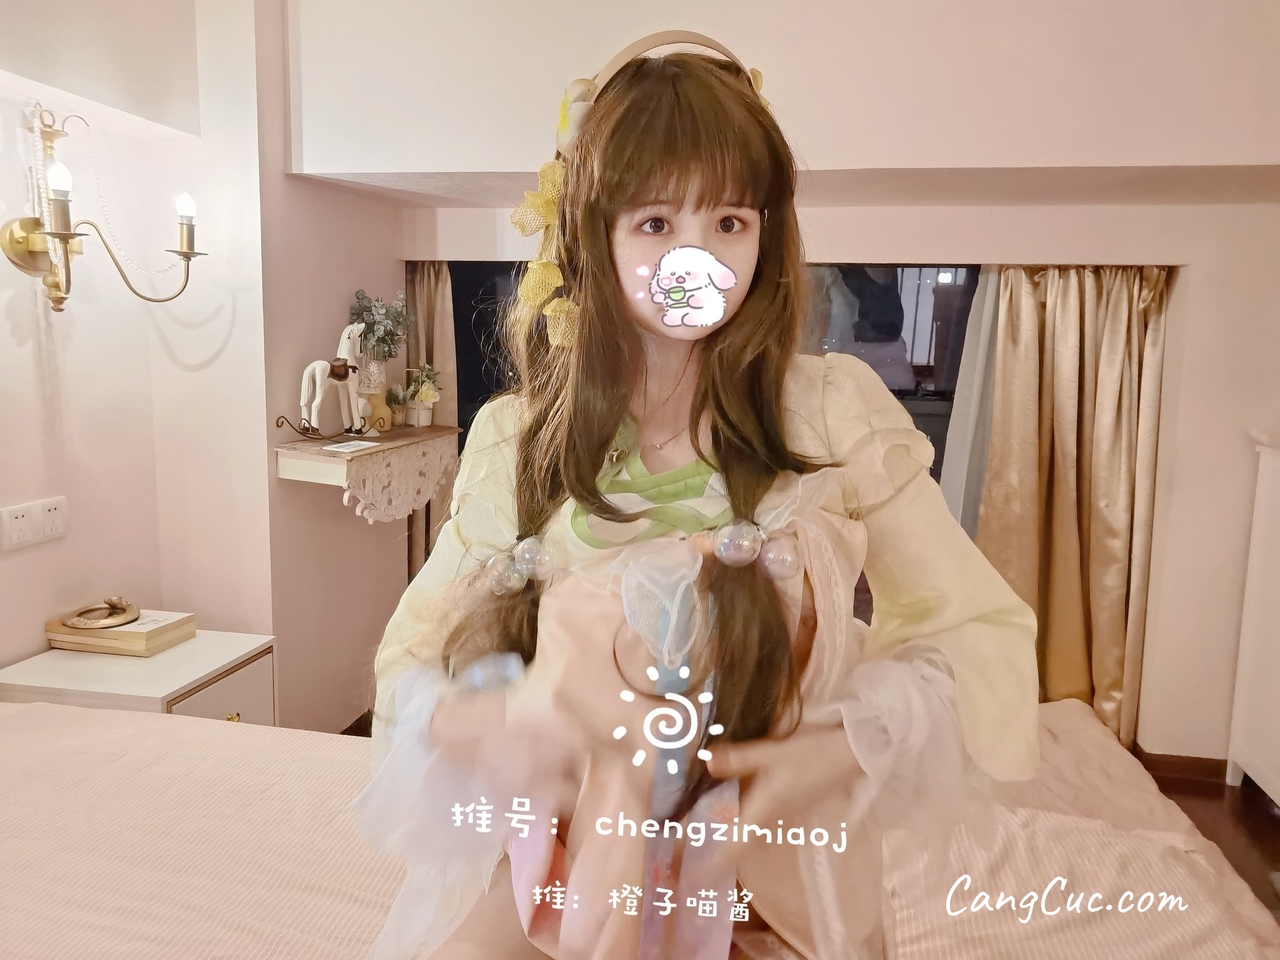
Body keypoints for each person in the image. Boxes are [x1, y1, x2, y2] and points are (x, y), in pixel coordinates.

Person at [356, 33, 1039, 960]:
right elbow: (409, 663)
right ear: (593, 236)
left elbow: (979, 632)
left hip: (768, 894)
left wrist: (839, 748)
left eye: (728, 221)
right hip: (559, 891)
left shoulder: (831, 411)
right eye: (654, 223)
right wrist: (501, 724)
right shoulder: (519, 440)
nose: (699, 259)